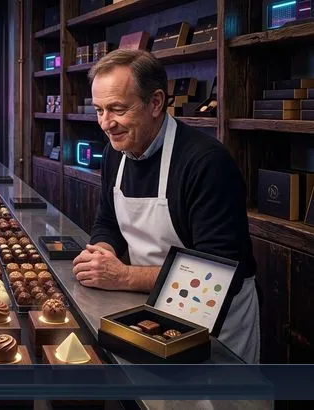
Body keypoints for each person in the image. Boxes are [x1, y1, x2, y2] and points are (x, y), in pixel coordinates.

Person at [71, 49, 259, 363]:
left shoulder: (206, 163)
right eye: (99, 110)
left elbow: (216, 273)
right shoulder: (116, 152)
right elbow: (108, 222)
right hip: (149, 306)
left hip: (214, 321)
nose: (106, 123)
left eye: (117, 108)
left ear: (156, 102)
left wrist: (123, 276)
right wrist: (100, 254)